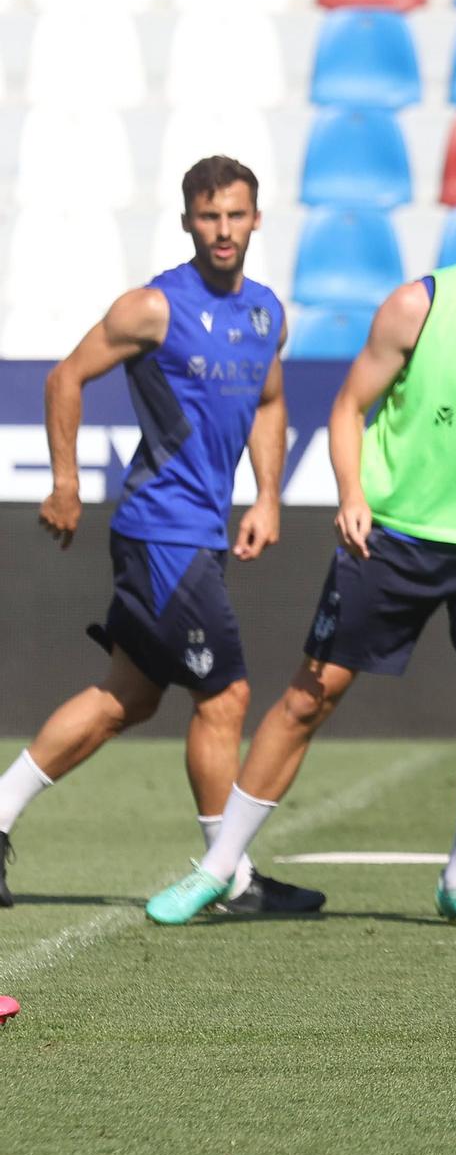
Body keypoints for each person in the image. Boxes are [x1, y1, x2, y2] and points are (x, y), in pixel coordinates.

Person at [144, 164, 456, 929]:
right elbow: (346, 408)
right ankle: (217, 866)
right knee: (309, 697)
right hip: (393, 540)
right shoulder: (416, 306)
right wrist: (354, 495)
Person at [0, 156, 318, 915]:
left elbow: (271, 401)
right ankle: (229, 875)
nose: (223, 230)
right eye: (209, 216)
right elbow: (63, 378)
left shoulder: (267, 313)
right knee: (226, 692)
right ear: (186, 222)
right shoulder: (154, 307)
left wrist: (268, 496)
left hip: (198, 533)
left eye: (236, 215)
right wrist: (67, 483)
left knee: (125, 700)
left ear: (257, 220)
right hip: (159, 532)